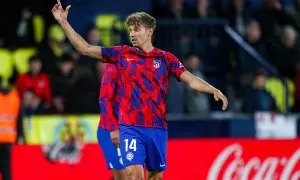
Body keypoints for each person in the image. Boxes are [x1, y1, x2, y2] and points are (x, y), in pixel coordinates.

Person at [51, 1, 228, 179]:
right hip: (130, 126)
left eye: (137, 29)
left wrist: (212, 89)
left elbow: (189, 79)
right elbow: (85, 48)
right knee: (134, 174)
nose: (132, 34)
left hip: (157, 127)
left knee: (155, 176)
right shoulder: (122, 54)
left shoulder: (165, 58)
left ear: (150, 31)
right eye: (130, 30)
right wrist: (64, 23)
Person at [97, 63, 128, 180]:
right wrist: (113, 128)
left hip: (131, 131)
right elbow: (104, 100)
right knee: (123, 175)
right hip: (112, 131)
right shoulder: (113, 69)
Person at [0, 75, 21, 180]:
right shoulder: (14, 96)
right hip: (8, 139)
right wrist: (19, 136)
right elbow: (19, 118)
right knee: (6, 172)